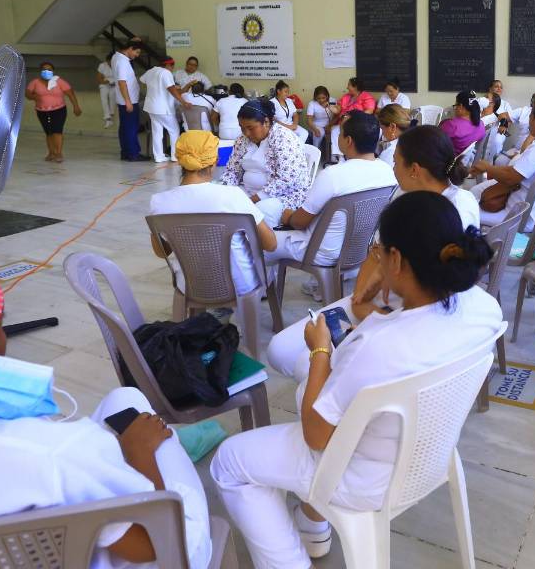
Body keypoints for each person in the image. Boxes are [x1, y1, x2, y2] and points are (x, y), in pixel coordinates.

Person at [0, 239, 212, 569]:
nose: (2, 338)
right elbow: (151, 541)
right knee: (144, 427)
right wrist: (140, 455)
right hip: (150, 548)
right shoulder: (49, 454)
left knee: (125, 399)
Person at [212, 193, 501, 569]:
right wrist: (375, 292)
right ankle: (312, 526)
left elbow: (316, 435)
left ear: (395, 259)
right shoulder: (483, 309)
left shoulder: (378, 346)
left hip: (361, 476)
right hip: (429, 454)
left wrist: (321, 351)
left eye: (380, 251)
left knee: (231, 463)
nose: (376, 258)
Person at [261, 125, 484, 377]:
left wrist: (377, 316)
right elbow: (377, 252)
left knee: (307, 362)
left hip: (410, 311)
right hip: (380, 300)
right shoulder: (402, 194)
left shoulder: (458, 207)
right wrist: (360, 297)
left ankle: (335, 396)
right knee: (279, 350)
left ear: (414, 170)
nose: (392, 169)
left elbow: (437, 286)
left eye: (396, 162)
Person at [150, 131, 277, 300]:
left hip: (190, 285)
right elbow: (270, 244)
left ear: (180, 160)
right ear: (215, 161)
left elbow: (161, 252)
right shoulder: (233, 196)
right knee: (269, 265)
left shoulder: (159, 202)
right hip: (239, 286)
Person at [265, 113, 396, 269]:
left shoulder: (332, 175)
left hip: (321, 251)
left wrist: (288, 217)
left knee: (260, 238)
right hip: (359, 250)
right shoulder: (388, 172)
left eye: (340, 133)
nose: (338, 137)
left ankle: (258, 291)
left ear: (348, 141)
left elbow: (299, 223)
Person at [470, 95, 535, 229]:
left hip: (517, 216)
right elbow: (515, 172)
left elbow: (510, 178)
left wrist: (487, 168)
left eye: (530, 118)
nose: (529, 122)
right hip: (529, 211)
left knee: (462, 212)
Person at [221, 99, 311, 227]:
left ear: (266, 122)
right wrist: (224, 191)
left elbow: (286, 180)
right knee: (223, 205)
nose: (246, 133)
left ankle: (255, 244)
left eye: (250, 128)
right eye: (242, 128)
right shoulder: (242, 140)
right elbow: (232, 170)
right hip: (248, 192)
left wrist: (252, 201)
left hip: (283, 195)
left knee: (257, 214)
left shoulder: (283, 138)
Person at [24, 61, 81, 163]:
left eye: (49, 69)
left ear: (53, 71)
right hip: (42, 111)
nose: (47, 71)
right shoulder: (35, 82)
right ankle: (51, 152)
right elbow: (27, 94)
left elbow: (70, 93)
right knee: (49, 132)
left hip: (59, 110)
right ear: (40, 71)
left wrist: (76, 107)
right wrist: (34, 97)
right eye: (44, 69)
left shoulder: (59, 81)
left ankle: (58, 153)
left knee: (57, 130)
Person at [140, 56, 190, 164]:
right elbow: (171, 89)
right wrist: (183, 102)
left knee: (157, 132)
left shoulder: (151, 71)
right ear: (168, 65)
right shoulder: (166, 73)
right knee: (174, 131)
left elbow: (142, 80)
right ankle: (174, 156)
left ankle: (159, 156)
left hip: (151, 107)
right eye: (172, 66)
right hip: (163, 108)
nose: (172, 69)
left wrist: (156, 86)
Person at [112, 38, 146, 161]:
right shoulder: (122, 62)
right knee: (131, 128)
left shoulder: (116, 57)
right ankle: (133, 154)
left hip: (124, 100)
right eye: (136, 52)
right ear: (130, 49)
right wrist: (128, 101)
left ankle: (125, 152)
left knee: (125, 127)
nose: (136, 56)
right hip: (128, 101)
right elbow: (122, 82)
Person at [440, 90, 486, 155]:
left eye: (455, 106)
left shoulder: (452, 125)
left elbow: (435, 142)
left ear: (461, 106)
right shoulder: (481, 124)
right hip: (467, 161)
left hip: (449, 162)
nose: (455, 109)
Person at [305, 86, 334, 151]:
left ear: (327, 96)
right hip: (317, 125)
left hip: (330, 124)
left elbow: (336, 116)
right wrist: (315, 129)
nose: (321, 100)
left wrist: (330, 126)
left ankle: (331, 157)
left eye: (323, 98)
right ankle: (315, 152)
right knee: (319, 134)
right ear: (315, 97)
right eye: (319, 98)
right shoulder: (312, 103)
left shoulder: (332, 101)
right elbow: (309, 120)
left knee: (335, 133)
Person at [95, 51, 117, 129]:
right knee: (103, 98)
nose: (110, 63)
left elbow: (120, 78)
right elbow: (99, 78)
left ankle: (111, 114)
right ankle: (107, 118)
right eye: (108, 61)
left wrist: (113, 82)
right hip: (104, 84)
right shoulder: (102, 65)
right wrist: (107, 81)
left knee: (112, 96)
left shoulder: (118, 66)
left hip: (115, 84)